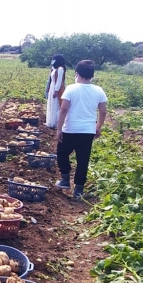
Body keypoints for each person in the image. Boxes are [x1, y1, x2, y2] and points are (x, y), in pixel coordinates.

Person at [55, 60, 107, 199]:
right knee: (83, 159)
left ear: (76, 73)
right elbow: (103, 112)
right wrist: (98, 127)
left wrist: (59, 129)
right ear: (92, 75)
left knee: (62, 153)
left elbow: (64, 109)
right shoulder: (98, 90)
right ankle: (79, 189)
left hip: (70, 129)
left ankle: (65, 179)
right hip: (88, 131)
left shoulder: (71, 88)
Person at [45, 54, 66, 128]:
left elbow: (59, 81)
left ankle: (56, 123)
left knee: (56, 104)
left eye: (54, 59)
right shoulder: (54, 68)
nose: (52, 60)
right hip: (52, 86)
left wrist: (56, 91)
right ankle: (50, 121)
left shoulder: (60, 69)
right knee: (51, 103)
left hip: (56, 88)